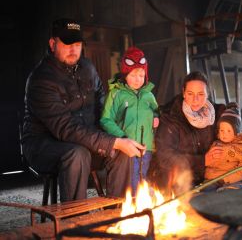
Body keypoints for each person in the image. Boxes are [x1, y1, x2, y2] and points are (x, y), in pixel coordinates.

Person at [22, 18, 144, 202]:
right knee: (78, 154)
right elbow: (66, 128)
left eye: (77, 44)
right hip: (44, 145)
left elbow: (103, 105)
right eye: (67, 43)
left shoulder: (88, 67)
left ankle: (117, 214)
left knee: (123, 149)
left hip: (85, 140)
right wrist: (112, 142)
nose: (73, 50)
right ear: (53, 44)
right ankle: (75, 222)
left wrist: (119, 132)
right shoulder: (41, 80)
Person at [148, 71, 225, 195]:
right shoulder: (170, 117)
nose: (195, 99)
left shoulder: (215, 113)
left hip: (206, 178)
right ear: (184, 93)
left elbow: (231, 117)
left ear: (207, 95)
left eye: (200, 94)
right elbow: (165, 157)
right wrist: (203, 160)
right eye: (190, 93)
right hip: (174, 180)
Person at [100, 46, 159, 195]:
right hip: (125, 148)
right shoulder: (116, 94)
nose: (137, 79)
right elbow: (105, 119)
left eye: (141, 75)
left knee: (143, 180)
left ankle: (141, 209)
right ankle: (127, 211)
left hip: (146, 147)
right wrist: (122, 137)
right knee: (129, 183)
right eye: (133, 75)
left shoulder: (149, 96)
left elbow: (156, 112)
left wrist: (157, 118)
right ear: (125, 74)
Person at [204, 102, 242, 191]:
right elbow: (211, 163)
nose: (224, 134)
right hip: (216, 179)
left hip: (236, 180)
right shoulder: (216, 144)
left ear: (236, 132)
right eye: (222, 130)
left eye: (229, 131)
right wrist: (209, 174)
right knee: (206, 191)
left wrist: (227, 178)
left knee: (229, 192)